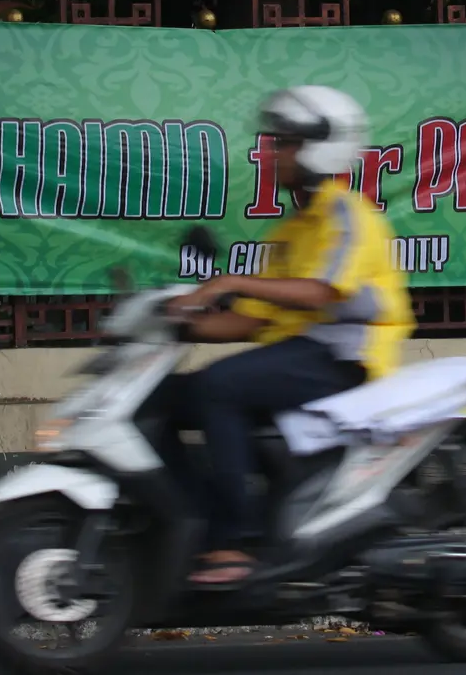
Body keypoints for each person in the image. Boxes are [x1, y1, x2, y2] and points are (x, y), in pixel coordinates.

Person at [164, 85, 417, 587]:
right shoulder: (287, 233)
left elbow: (321, 292)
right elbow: (253, 320)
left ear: (319, 148)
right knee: (169, 397)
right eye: (274, 143)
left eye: (284, 144)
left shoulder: (347, 214)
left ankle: (237, 540)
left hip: (346, 358)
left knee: (221, 386)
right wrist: (176, 321)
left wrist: (229, 282)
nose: (271, 154)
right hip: (299, 355)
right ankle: (199, 521)